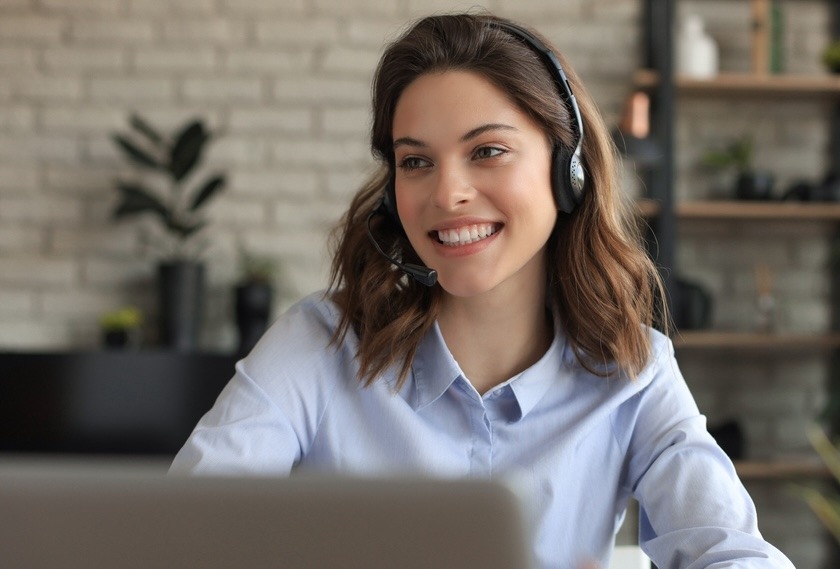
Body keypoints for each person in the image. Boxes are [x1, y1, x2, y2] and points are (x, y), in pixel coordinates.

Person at [170, 12, 795, 569]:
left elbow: (731, 552)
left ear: (566, 169)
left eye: (488, 150)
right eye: (416, 162)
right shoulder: (317, 345)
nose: (446, 194)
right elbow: (179, 534)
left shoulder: (633, 369)